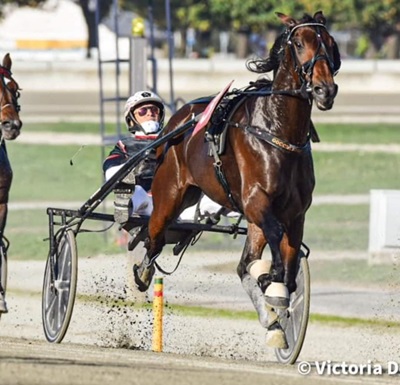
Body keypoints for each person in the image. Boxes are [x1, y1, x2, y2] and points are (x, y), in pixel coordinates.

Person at [103, 90, 239, 224]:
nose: (150, 113)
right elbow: (109, 167)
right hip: (150, 204)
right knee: (136, 192)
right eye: (143, 111)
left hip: (181, 205)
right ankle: (125, 203)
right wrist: (127, 172)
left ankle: (251, 208)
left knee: (217, 198)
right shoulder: (125, 145)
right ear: (131, 120)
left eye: (154, 111)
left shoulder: (176, 140)